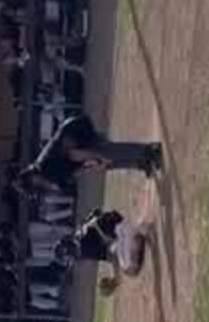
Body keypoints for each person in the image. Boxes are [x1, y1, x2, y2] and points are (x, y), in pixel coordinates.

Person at [14, 115, 162, 196]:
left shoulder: (45, 167)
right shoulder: (52, 180)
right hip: (77, 143)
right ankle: (141, 163)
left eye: (33, 184)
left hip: (77, 131)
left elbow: (72, 154)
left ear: (32, 177)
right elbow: (75, 172)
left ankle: (149, 150)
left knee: (105, 153)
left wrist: (97, 156)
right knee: (105, 164)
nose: (37, 187)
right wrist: (93, 165)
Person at [55, 209, 154, 295]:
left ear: (70, 250)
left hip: (121, 232)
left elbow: (113, 255)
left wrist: (115, 279)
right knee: (121, 254)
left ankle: (139, 229)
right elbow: (97, 212)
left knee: (129, 268)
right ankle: (136, 231)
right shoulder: (78, 234)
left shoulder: (84, 249)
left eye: (70, 256)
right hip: (119, 224)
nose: (73, 259)